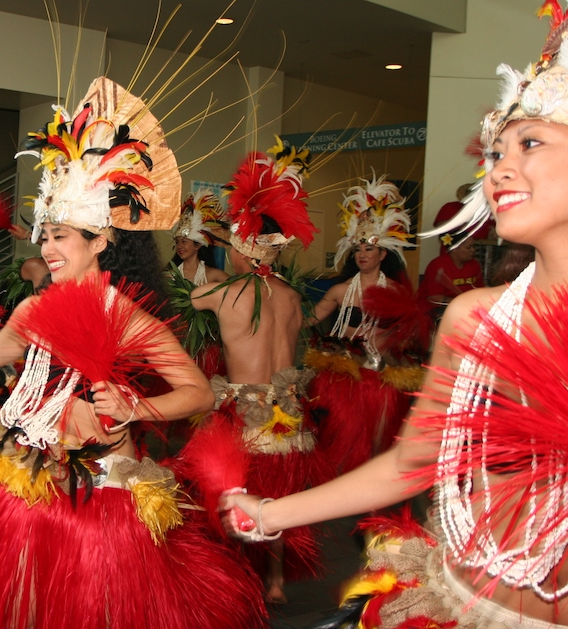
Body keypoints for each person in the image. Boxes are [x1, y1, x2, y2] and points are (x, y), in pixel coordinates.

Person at [222, 4, 568, 625]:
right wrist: (271, 514)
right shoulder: (476, 318)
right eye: (494, 153)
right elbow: (413, 463)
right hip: (468, 596)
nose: (497, 172)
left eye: (530, 142)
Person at [0, 76, 266, 629]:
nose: (47, 248)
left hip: (96, 492)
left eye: (62, 236)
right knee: (23, 602)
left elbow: (197, 392)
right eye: (44, 236)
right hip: (25, 475)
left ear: (101, 240)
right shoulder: (34, 306)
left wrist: (132, 409)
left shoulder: (125, 316)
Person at [191, 141, 325, 603]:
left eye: (229, 246)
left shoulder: (225, 293)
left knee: (231, 492)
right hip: (286, 413)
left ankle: (233, 578)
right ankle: (275, 581)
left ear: (245, 251)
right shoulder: (290, 296)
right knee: (277, 498)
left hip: (243, 411)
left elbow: (185, 302)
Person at [305, 176, 420, 474]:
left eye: (369, 249)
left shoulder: (394, 293)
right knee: (341, 432)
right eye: (357, 250)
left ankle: (371, 484)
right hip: (342, 376)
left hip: (379, 375)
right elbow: (310, 319)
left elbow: (408, 333)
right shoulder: (341, 291)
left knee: (375, 437)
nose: (362, 255)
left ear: (383, 254)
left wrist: (388, 340)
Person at [171, 191, 229, 285]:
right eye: (177, 242)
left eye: (184, 241)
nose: (179, 246)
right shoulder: (170, 276)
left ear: (197, 245)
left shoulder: (213, 275)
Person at [420, 235, 484, 307]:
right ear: (454, 248)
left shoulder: (474, 265)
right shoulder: (437, 265)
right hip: (439, 310)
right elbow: (434, 298)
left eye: (473, 246)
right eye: (468, 247)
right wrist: (462, 303)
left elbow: (480, 290)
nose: (473, 250)